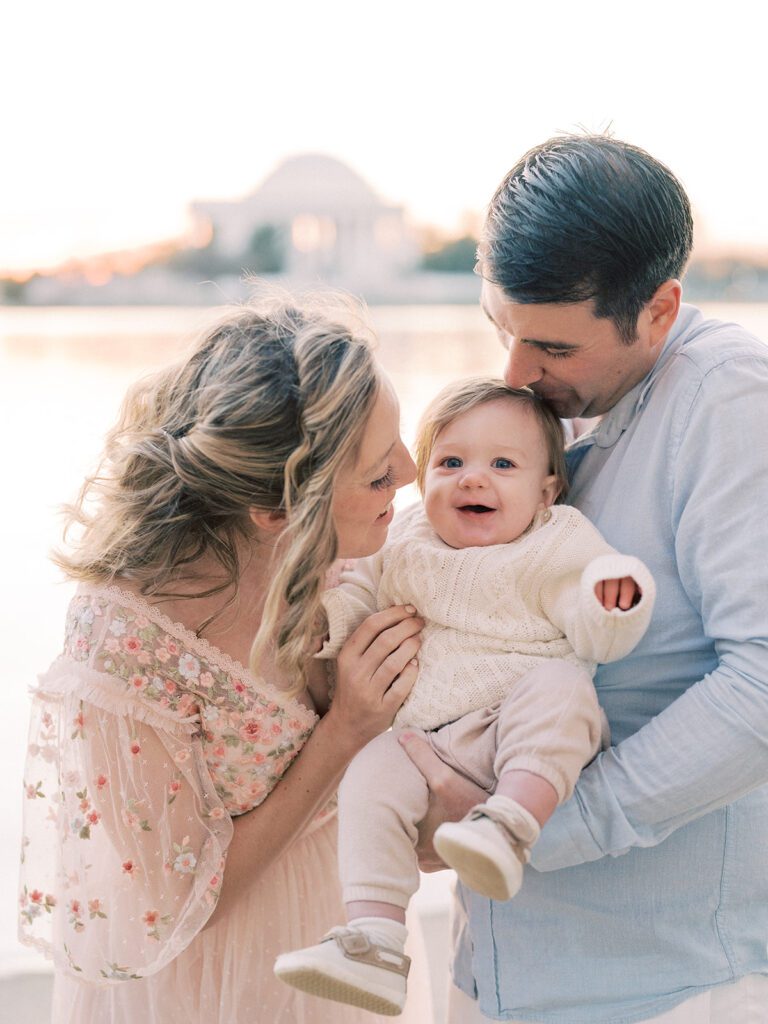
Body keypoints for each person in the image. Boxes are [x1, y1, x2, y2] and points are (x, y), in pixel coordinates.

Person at [401, 134, 768, 1023]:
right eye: (501, 330)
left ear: (659, 308)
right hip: (493, 969)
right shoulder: (560, 409)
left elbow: (762, 682)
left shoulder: (729, 402)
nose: (515, 375)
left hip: (659, 987)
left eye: (553, 348)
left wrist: (537, 829)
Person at [17, 293, 435, 1024]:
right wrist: (343, 730)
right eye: (376, 473)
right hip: (213, 984)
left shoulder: (358, 562)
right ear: (276, 511)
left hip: (346, 943)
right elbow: (175, 904)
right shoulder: (125, 647)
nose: (410, 471)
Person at [274, 377, 655, 1015]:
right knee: (369, 773)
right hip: (427, 739)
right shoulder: (409, 540)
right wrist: (328, 611)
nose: (472, 479)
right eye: (450, 462)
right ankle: (374, 940)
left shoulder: (556, 539)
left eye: (503, 465)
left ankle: (508, 824)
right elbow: (359, 596)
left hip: (516, 731)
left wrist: (612, 598)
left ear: (546, 490)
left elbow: (589, 610)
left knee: (562, 690)